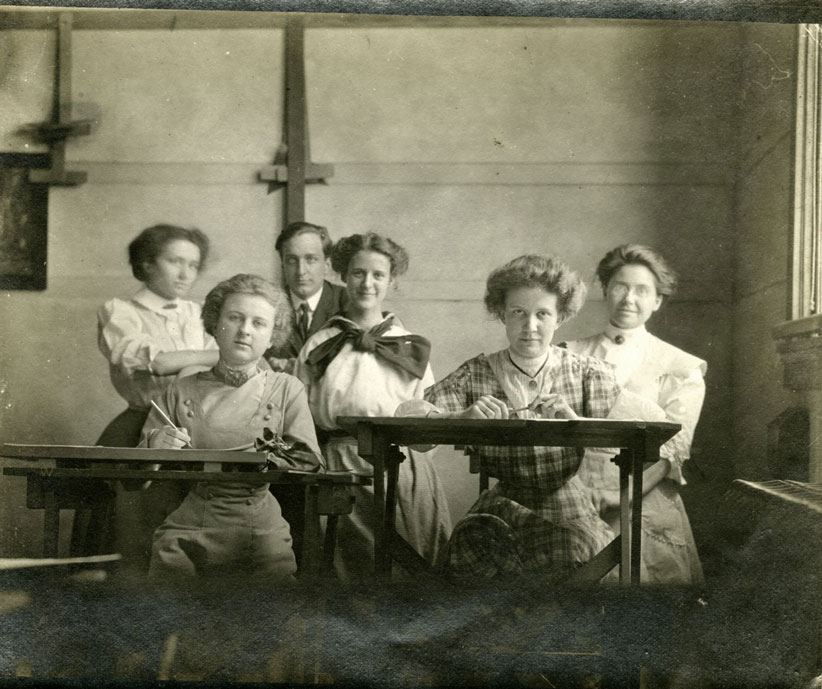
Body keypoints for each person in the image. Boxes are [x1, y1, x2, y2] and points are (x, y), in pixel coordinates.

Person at [399, 254, 619, 584]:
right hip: (502, 504)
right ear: (502, 314)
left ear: (559, 318)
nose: (530, 327)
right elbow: (410, 422)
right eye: (518, 313)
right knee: (469, 546)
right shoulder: (476, 373)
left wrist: (577, 424)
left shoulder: (587, 374)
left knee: (569, 553)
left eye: (542, 314)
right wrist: (461, 417)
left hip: (567, 506)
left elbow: (641, 427)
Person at [140, 273, 324, 582]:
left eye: (258, 323)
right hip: (189, 527)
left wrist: (276, 456)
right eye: (235, 318)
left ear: (272, 336)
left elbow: (311, 463)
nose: (245, 331)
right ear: (214, 323)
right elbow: (135, 479)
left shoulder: (286, 389)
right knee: (167, 602)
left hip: (260, 531)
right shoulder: (179, 390)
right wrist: (154, 446)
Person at [293, 232, 451, 580]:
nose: (367, 283)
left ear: (392, 281)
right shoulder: (320, 344)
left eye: (378, 275)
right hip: (340, 468)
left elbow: (429, 416)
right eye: (358, 273)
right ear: (343, 277)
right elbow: (298, 416)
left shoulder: (408, 346)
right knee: (347, 569)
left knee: (406, 568)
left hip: (401, 469)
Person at [564, 244, 706, 584]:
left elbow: (675, 448)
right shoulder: (569, 354)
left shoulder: (680, 366)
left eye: (642, 290)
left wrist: (619, 496)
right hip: (578, 495)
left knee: (642, 608)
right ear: (605, 291)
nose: (629, 298)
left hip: (646, 496)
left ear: (657, 300)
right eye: (620, 287)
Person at [82, 224, 218, 562]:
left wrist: (197, 362)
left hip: (196, 430)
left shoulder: (198, 314)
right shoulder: (120, 312)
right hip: (139, 429)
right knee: (134, 532)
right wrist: (204, 359)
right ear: (146, 263)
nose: (186, 273)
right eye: (175, 261)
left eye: (193, 264)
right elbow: (156, 363)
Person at [266, 221, 346, 375]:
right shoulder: (267, 304)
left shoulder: (348, 303)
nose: (301, 271)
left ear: (327, 264)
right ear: (282, 265)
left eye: (310, 259)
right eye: (291, 260)